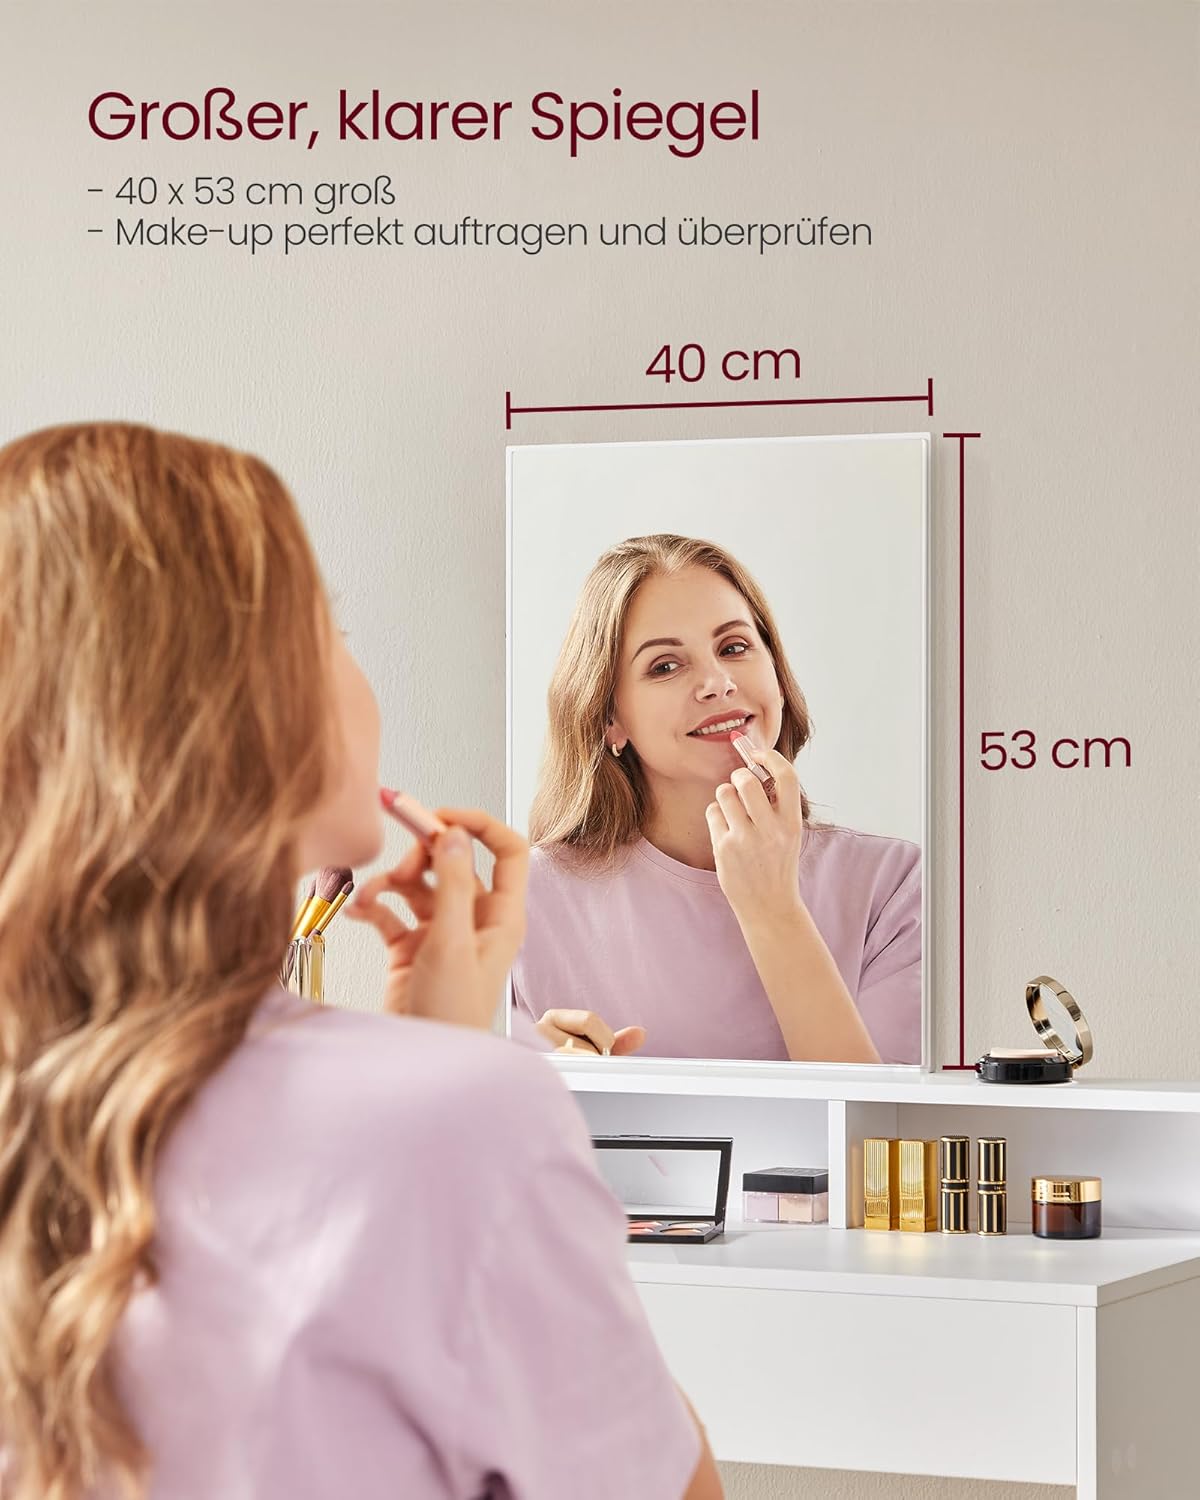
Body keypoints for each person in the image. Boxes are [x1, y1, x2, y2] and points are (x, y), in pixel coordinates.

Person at [0, 425, 722, 1500]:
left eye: (736, 645)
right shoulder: (467, 1118)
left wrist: (426, 1057)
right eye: (328, 629)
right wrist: (440, 1079)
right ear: (241, 713)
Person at [512, 533, 922, 1065]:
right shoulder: (527, 900)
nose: (717, 682)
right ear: (610, 717)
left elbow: (880, 1138)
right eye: (664, 665)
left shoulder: (891, 886)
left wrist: (772, 908)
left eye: (734, 647)